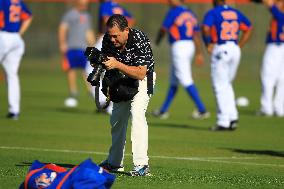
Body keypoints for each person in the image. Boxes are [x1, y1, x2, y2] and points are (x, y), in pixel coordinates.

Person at [98, 14, 155, 176]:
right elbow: (107, 63)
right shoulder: (107, 40)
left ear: (126, 30)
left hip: (143, 78)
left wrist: (117, 64)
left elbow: (141, 73)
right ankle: (114, 163)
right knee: (117, 119)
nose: (113, 39)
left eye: (116, 36)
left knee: (137, 114)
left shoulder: (139, 38)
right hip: (122, 78)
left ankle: (142, 165)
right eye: (110, 36)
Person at [152, 0, 210, 120]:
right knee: (174, 80)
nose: (169, 1)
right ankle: (163, 111)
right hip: (189, 46)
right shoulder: (190, 13)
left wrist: (157, 41)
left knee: (185, 79)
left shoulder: (174, 12)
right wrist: (199, 53)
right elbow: (195, 35)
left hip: (179, 47)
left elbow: (163, 29)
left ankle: (202, 110)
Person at [202, 0, 252, 131]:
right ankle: (232, 117)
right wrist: (239, 46)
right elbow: (249, 28)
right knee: (226, 84)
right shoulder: (235, 12)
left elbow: (205, 28)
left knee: (219, 85)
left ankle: (223, 121)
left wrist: (208, 43)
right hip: (234, 48)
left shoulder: (213, 12)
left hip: (221, 48)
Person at [85, 0, 134, 114]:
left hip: (107, 38)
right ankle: (112, 103)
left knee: (90, 68)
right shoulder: (118, 7)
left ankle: (105, 103)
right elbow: (131, 19)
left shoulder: (105, 5)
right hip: (117, 39)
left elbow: (106, 19)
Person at [58, 0, 96, 108]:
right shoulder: (69, 15)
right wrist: (62, 43)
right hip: (71, 47)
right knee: (71, 69)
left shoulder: (87, 16)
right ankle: (73, 91)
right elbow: (62, 29)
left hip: (84, 48)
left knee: (87, 70)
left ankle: (91, 91)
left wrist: (93, 45)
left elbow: (88, 31)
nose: (85, 4)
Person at [0, 0, 33, 120]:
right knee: (12, 75)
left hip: (3, 36)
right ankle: (14, 111)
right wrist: (19, 34)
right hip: (16, 39)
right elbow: (28, 17)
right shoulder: (18, 2)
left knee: (12, 75)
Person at [258, 0, 284, 117]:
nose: (277, 3)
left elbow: (269, 4)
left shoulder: (280, 14)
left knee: (267, 76)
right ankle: (279, 108)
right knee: (282, 78)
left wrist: (270, 3)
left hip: (276, 47)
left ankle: (266, 108)